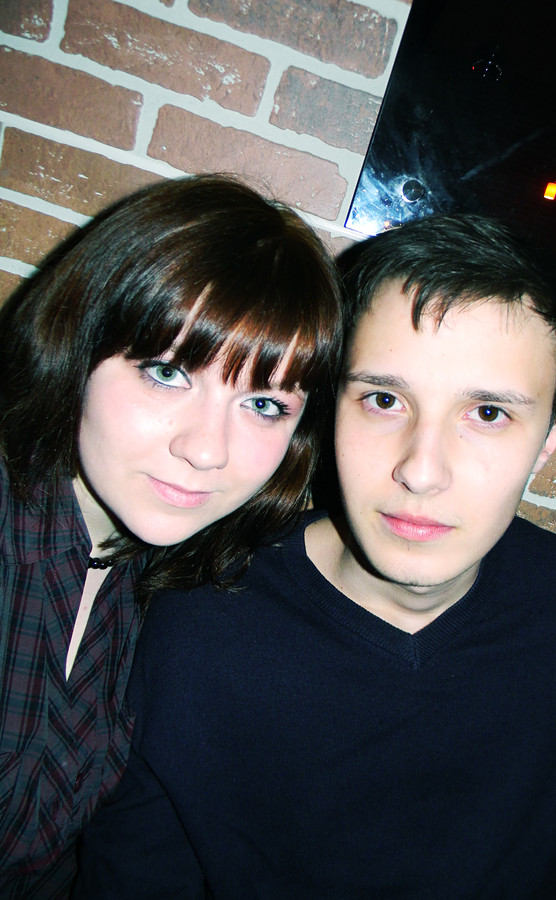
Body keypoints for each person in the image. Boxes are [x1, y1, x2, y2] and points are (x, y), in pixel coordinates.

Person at [76, 214, 556, 899]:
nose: (421, 471)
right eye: (384, 400)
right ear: (331, 409)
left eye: (487, 414)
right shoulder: (196, 621)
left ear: (548, 439)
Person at [0, 173, 342, 898]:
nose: (207, 449)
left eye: (263, 404)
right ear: (77, 344)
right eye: (167, 372)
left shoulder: (164, 585)